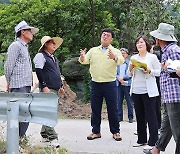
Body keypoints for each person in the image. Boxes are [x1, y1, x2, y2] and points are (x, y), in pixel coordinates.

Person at [79, 28, 124, 141]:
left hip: (110, 84)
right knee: (95, 108)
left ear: (111, 39)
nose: (105, 36)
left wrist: (114, 57)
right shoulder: (94, 50)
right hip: (95, 83)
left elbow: (121, 61)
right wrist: (82, 56)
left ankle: (116, 131)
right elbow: (84, 61)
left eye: (107, 35)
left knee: (113, 109)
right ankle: (96, 131)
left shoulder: (115, 51)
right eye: (103, 34)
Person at [144, 23, 180, 154]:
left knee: (177, 130)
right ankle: (156, 149)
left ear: (161, 39)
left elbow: (177, 71)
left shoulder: (173, 51)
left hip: (175, 97)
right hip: (169, 96)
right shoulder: (167, 51)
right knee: (166, 126)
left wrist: (168, 68)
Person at [4, 20, 39, 139]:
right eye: (30, 31)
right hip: (18, 85)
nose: (32, 33)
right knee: (19, 115)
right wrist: (9, 82)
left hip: (25, 85)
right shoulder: (15, 45)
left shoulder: (24, 47)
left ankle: (20, 139)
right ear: (23, 32)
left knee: (25, 114)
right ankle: (16, 141)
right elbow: (8, 65)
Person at [128, 35, 161, 151]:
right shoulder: (133, 57)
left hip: (149, 91)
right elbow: (129, 74)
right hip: (136, 90)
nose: (139, 44)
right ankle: (141, 139)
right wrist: (131, 68)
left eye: (141, 42)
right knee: (140, 115)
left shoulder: (152, 57)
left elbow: (159, 72)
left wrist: (150, 70)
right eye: (137, 43)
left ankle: (153, 141)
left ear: (146, 44)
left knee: (151, 116)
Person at [33, 36, 64, 148]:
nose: (54, 45)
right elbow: (39, 71)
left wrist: (60, 85)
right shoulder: (41, 56)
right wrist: (44, 86)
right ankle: (53, 137)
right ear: (46, 44)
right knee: (49, 113)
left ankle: (44, 134)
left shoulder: (53, 58)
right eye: (51, 43)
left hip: (54, 88)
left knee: (49, 112)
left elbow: (56, 73)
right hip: (47, 88)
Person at [116, 48, 133, 123]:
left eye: (124, 53)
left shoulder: (129, 63)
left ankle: (130, 117)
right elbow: (114, 73)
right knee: (118, 101)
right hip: (118, 83)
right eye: (121, 53)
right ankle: (119, 117)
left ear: (127, 54)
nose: (122, 54)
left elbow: (130, 73)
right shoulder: (117, 63)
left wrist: (123, 78)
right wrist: (118, 78)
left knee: (129, 101)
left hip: (127, 84)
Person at [149, 39, 162, 130]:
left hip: (157, 83)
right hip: (148, 84)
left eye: (151, 45)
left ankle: (158, 126)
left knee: (156, 105)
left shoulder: (157, 55)